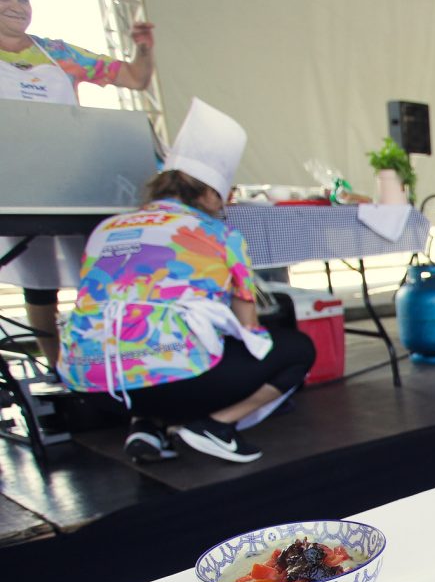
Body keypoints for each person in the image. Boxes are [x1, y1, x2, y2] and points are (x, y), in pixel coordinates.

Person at [58, 100, 316, 464]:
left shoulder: (107, 229)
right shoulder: (219, 234)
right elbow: (248, 326)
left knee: (137, 335)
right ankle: (215, 426)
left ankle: (146, 426)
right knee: (295, 349)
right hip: (178, 383)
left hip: (94, 386)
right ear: (210, 192)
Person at [0, 0, 157, 368]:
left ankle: (105, 362)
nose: (18, 6)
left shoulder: (58, 53)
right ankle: (56, 367)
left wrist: (144, 49)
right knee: (39, 281)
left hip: (74, 184)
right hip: (13, 188)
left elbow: (135, 79)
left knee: (98, 270)